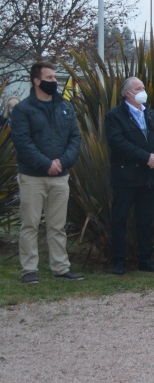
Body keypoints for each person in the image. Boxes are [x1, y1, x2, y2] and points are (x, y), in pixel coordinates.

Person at [10, 62, 83, 284]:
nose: (54, 81)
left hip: (60, 176)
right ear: (36, 80)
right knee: (30, 224)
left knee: (57, 225)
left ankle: (61, 267)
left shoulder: (66, 107)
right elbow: (23, 142)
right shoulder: (23, 110)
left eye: (54, 77)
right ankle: (29, 270)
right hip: (33, 177)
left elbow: (75, 138)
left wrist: (61, 162)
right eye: (49, 77)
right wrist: (46, 164)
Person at [105, 76, 154, 275]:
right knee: (120, 219)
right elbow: (118, 142)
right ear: (128, 93)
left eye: (143, 86)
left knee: (145, 220)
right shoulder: (115, 116)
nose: (143, 90)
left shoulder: (150, 114)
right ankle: (119, 261)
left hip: (148, 177)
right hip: (126, 176)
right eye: (138, 88)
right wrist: (145, 157)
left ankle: (145, 260)